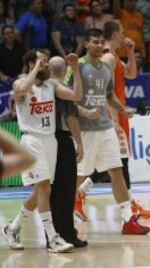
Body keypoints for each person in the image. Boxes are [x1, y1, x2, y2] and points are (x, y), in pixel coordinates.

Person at [64, 28, 150, 235]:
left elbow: (109, 95)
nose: (99, 45)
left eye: (101, 41)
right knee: (77, 176)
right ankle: (65, 221)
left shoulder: (105, 67)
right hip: (84, 129)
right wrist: (83, 112)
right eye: (94, 42)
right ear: (86, 44)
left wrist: (122, 110)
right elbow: (65, 97)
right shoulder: (78, 67)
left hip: (104, 128)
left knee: (116, 171)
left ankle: (128, 221)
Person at [1, 49, 83, 253]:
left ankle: (13, 227)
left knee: (41, 189)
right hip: (32, 140)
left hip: (50, 140)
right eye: (41, 61)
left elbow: (76, 95)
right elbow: (21, 91)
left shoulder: (51, 84)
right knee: (44, 187)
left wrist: (76, 70)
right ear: (30, 64)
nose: (45, 64)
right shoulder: (21, 83)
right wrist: (36, 68)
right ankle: (53, 238)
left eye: (46, 61)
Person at [48, 56, 88, 248]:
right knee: (64, 189)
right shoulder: (56, 87)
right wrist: (79, 143)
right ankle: (63, 234)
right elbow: (75, 104)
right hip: (58, 139)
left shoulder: (43, 86)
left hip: (46, 139)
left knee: (54, 190)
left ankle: (61, 233)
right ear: (65, 69)